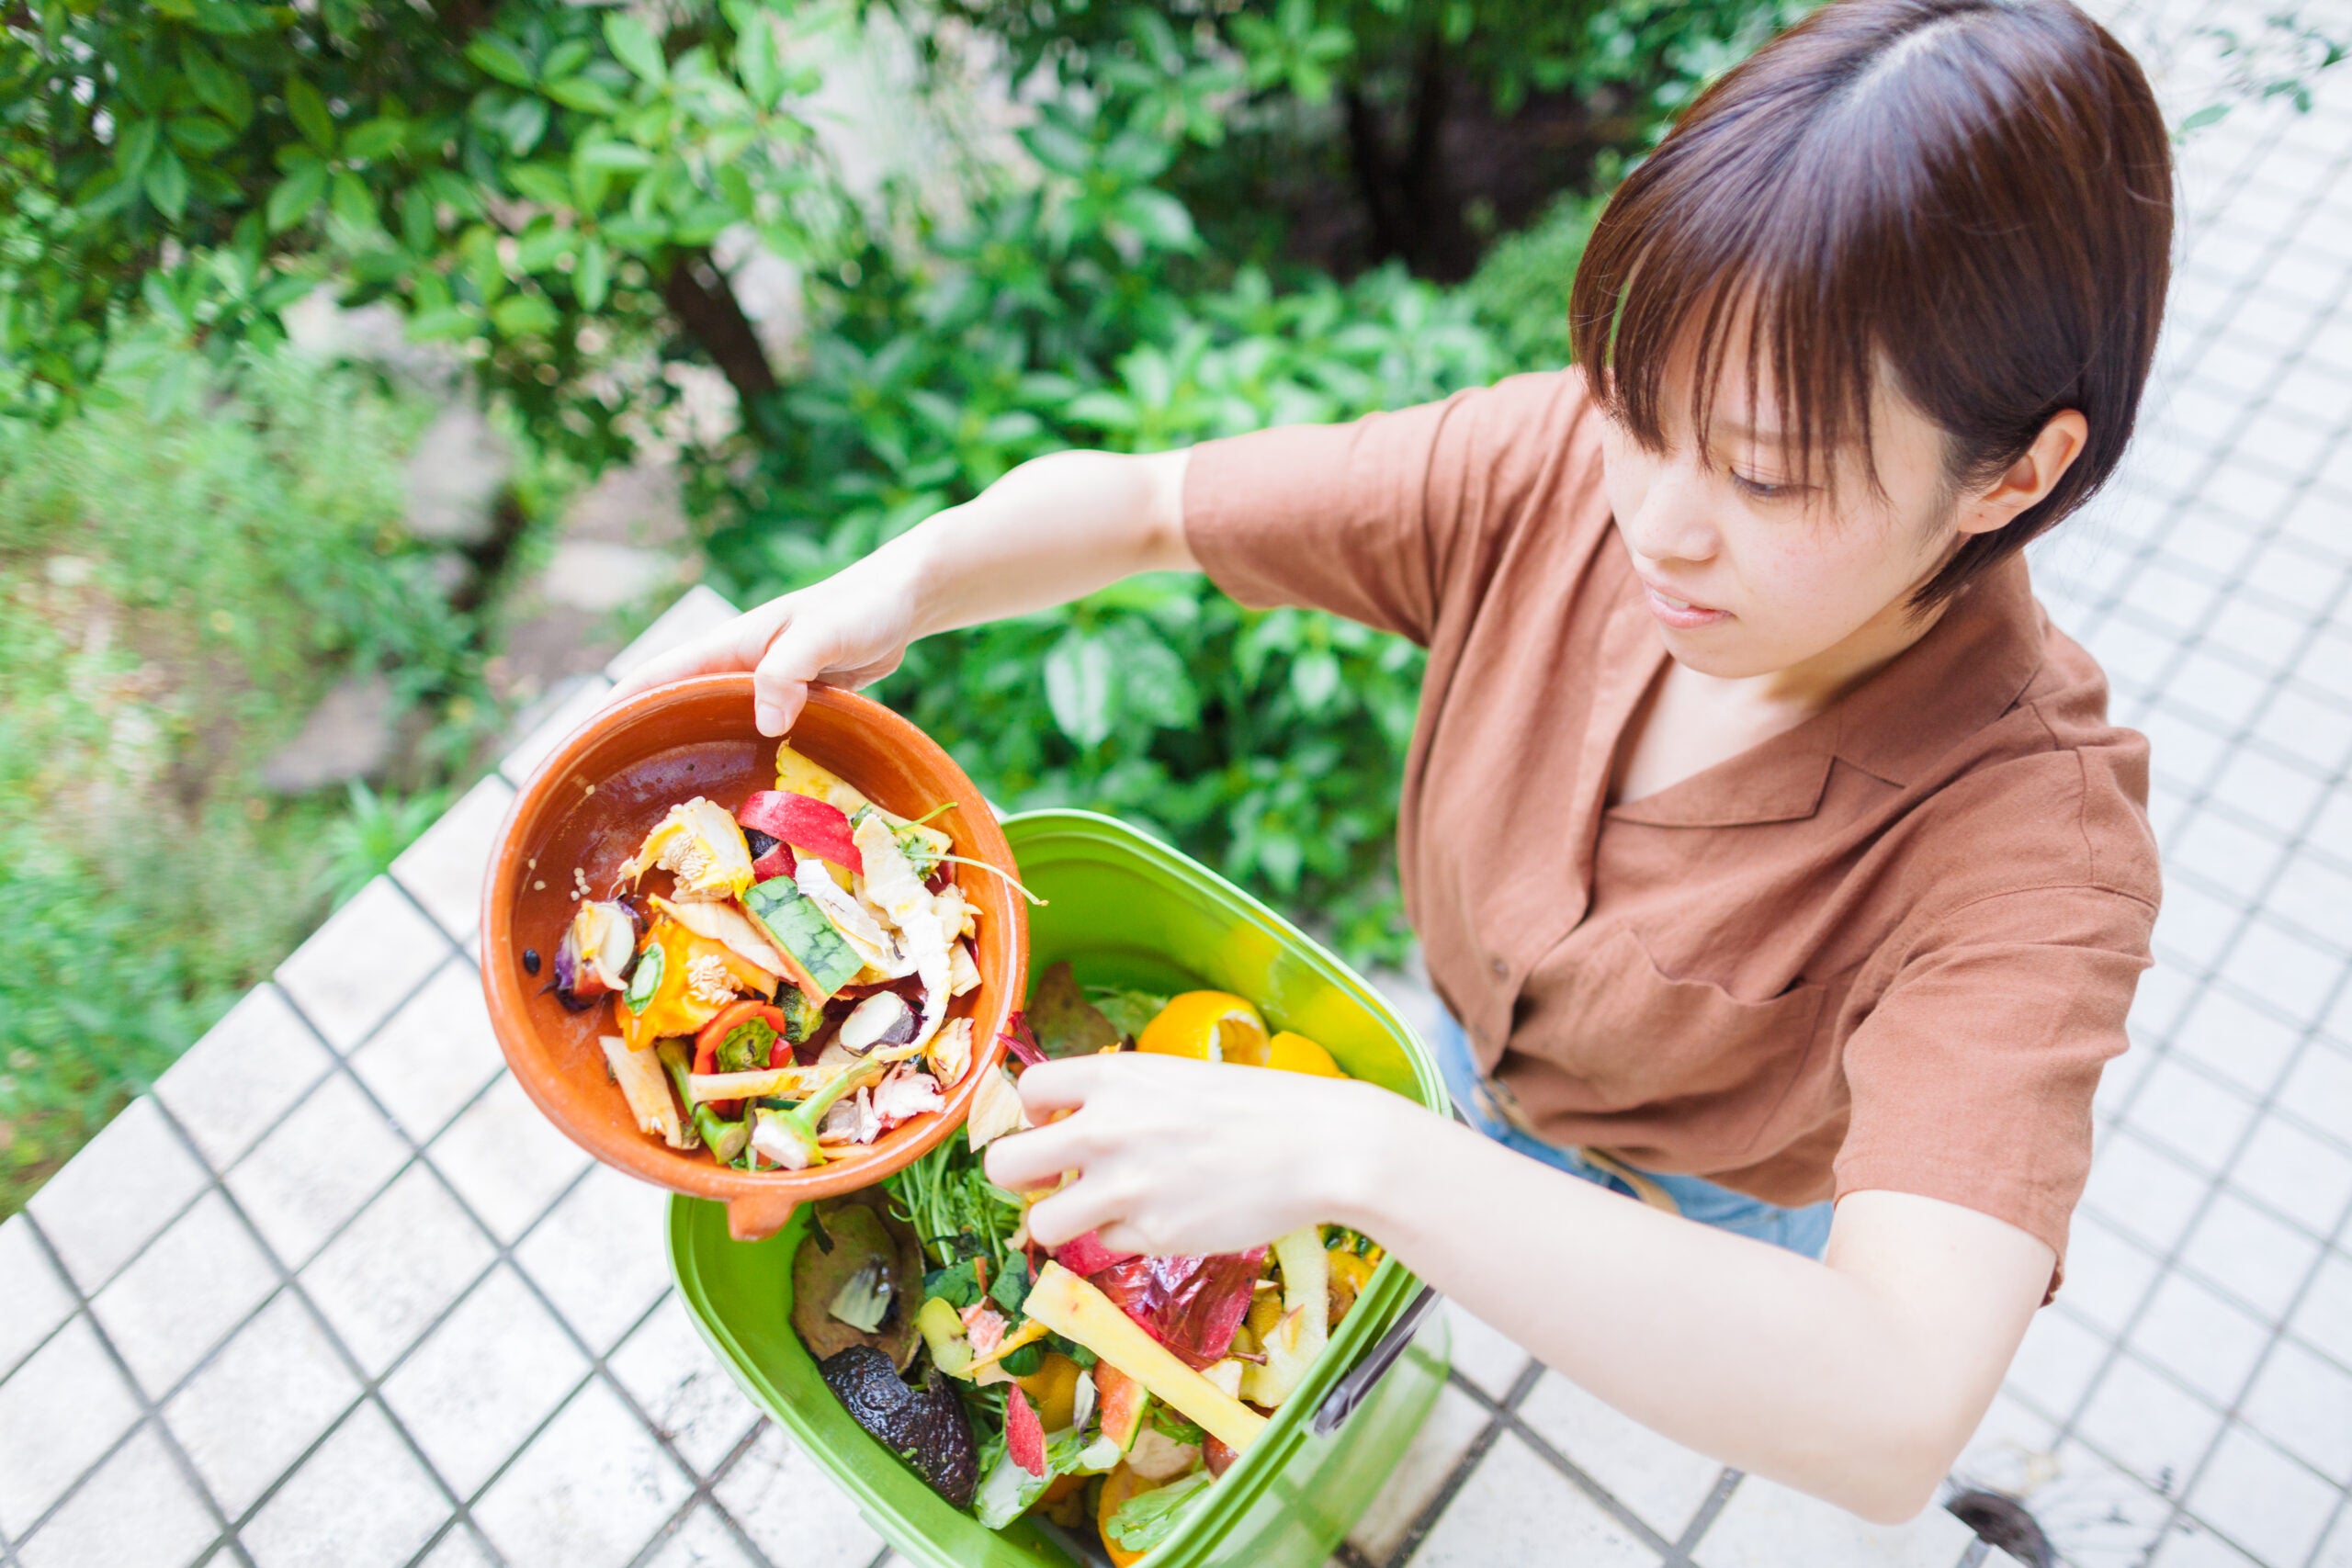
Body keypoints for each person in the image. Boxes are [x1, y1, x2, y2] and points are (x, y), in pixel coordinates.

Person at [615, 0, 2170, 1522]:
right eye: (1637, 409)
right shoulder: (1550, 466)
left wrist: (1367, 1155)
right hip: (1450, 1072)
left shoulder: (2038, 844)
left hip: (1703, 1228)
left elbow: (1890, 1403)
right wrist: (910, 580)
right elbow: (1154, 505)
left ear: (2012, 476)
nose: (1656, 523)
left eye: (1763, 478)